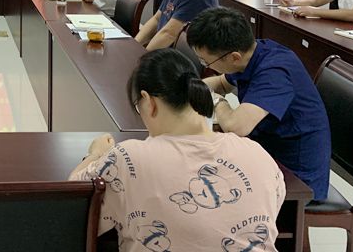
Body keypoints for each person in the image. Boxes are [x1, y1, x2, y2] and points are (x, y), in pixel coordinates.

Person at [69, 49, 285, 252]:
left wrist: (95, 154)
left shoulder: (128, 158)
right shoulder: (257, 154)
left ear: (149, 101)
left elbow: (71, 203)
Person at [189, 7, 331, 200]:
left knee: (202, 189)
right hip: (265, 152)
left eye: (206, 62)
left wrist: (215, 100)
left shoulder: (275, 71)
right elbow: (221, 83)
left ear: (234, 57)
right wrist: (189, 90)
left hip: (296, 177)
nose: (207, 67)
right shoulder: (252, 54)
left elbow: (236, 126)